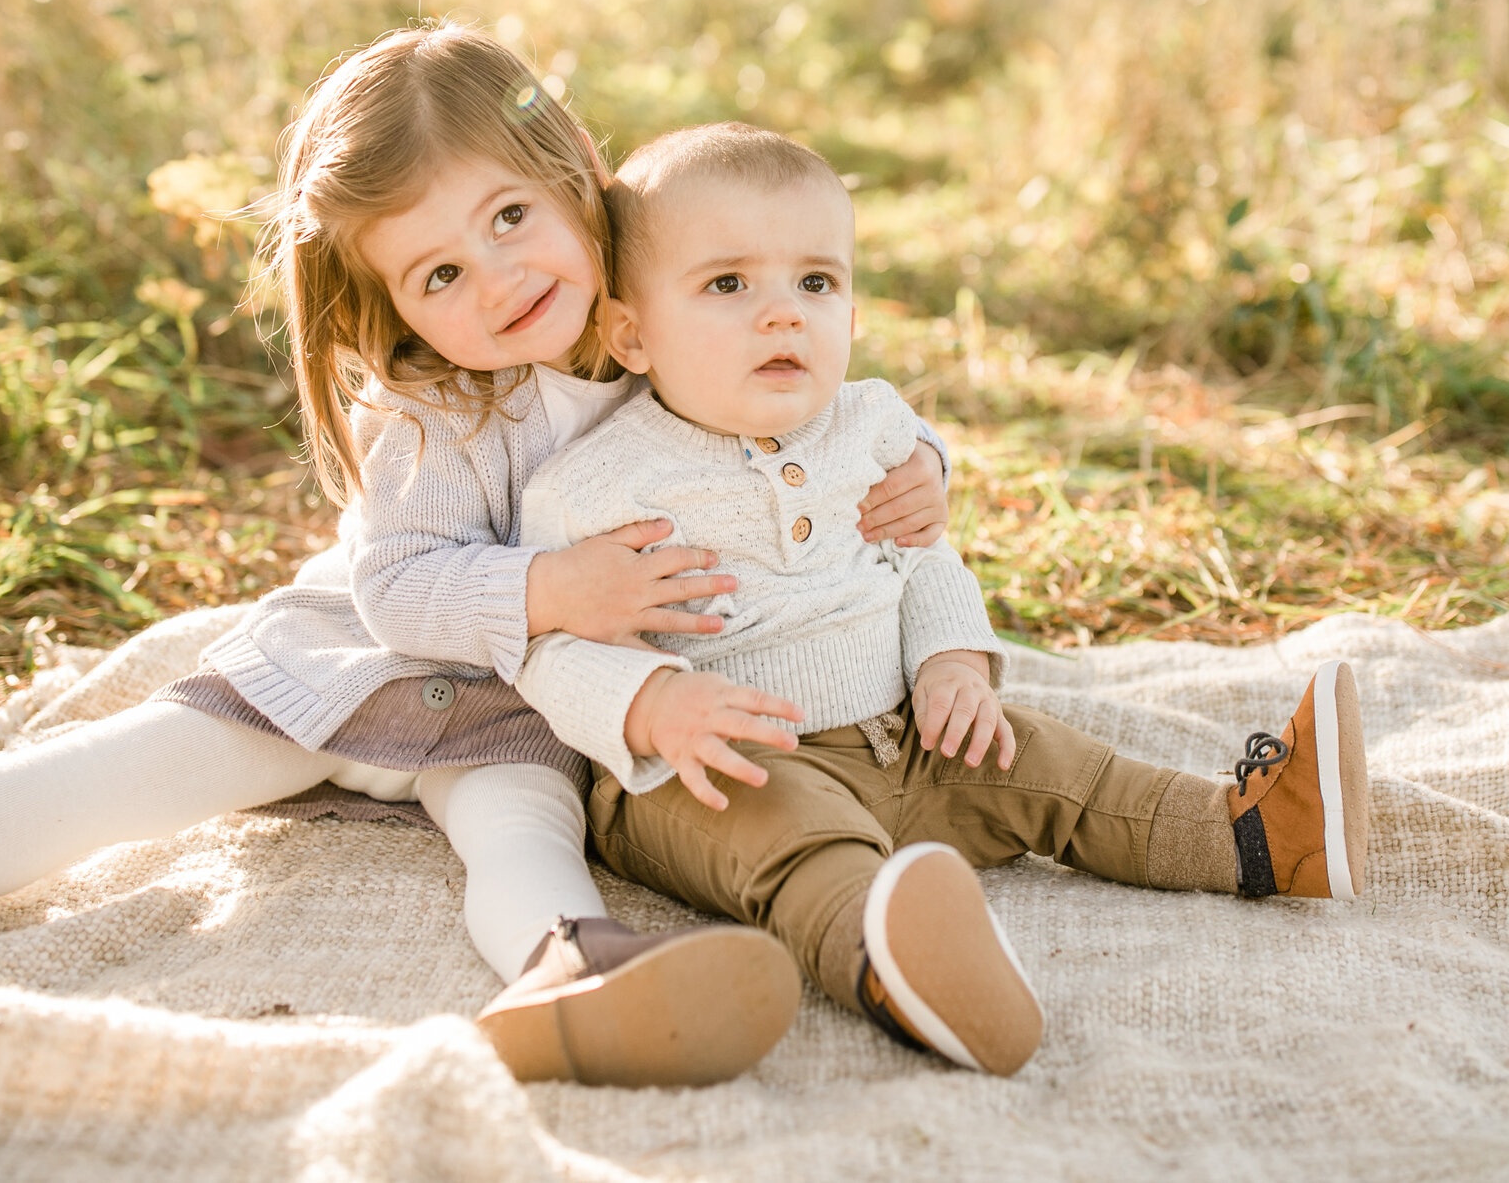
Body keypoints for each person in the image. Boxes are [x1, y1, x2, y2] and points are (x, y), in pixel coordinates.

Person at [0, 26, 956, 1088]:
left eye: (513, 213)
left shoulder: (667, 324)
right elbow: (395, 587)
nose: (498, 276)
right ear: (393, 303)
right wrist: (551, 587)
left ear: (575, 176)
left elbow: (822, 416)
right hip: (353, 662)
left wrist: (921, 473)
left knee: (522, 836)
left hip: (530, 710)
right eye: (440, 268)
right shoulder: (436, 409)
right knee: (128, 767)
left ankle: (574, 971)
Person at [514, 123, 1372, 1077]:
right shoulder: (596, 487)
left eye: (816, 283)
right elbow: (546, 646)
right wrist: (649, 704)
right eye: (728, 284)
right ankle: (892, 962)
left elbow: (920, 560)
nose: (782, 316)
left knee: (1049, 763)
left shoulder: (871, 426)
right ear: (632, 333)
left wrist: (954, 662)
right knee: (803, 843)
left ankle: (1251, 835)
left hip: (905, 738)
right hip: (710, 768)